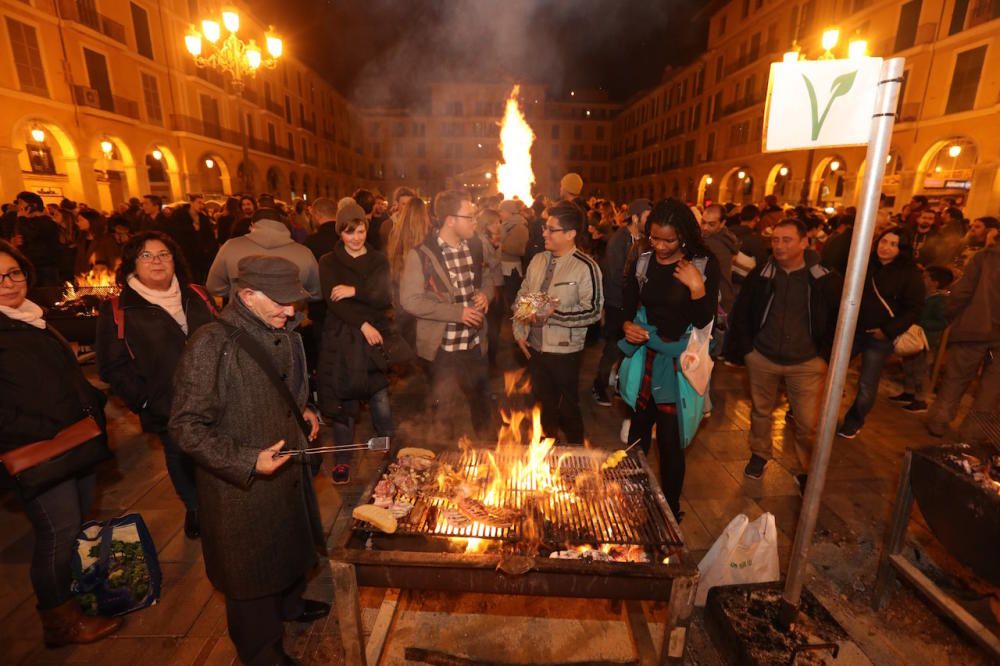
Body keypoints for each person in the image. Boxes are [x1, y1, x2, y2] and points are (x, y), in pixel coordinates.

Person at [169, 255, 328, 665]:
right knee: (252, 569)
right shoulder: (211, 344)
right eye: (280, 302)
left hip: (287, 470)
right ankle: (260, 651)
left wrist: (304, 409)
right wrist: (246, 460)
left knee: (290, 543)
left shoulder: (288, 331)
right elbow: (186, 426)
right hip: (241, 484)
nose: (290, 310)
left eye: (295, 301)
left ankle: (291, 607)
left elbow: (289, 388)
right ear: (247, 295)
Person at [0, 240, 123, 646]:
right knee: (58, 532)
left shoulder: (30, 318)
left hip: (75, 439)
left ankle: (76, 599)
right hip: (35, 450)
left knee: (74, 527)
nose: (8, 283)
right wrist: (44, 426)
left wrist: (91, 404)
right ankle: (59, 623)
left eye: (13, 273)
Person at [95, 231, 216, 538]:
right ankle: (195, 507)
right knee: (179, 455)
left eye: (164, 254)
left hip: (216, 394)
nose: (157, 261)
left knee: (217, 452)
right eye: (146, 256)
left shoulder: (197, 294)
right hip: (167, 404)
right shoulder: (118, 309)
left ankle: (221, 503)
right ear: (133, 264)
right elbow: (112, 367)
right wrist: (146, 401)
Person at [725, 219, 842, 489]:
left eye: (786, 240)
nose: (779, 246)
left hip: (807, 363)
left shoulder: (822, 277)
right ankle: (759, 454)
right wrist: (747, 350)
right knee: (760, 412)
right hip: (763, 357)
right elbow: (742, 312)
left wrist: (823, 356)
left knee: (806, 422)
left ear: (804, 242)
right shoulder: (762, 273)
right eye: (775, 240)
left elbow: (838, 317)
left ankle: (807, 469)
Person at [621, 200, 718, 518]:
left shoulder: (703, 264)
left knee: (670, 442)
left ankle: (671, 510)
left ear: (685, 237)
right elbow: (628, 303)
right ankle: (631, 494)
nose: (660, 246)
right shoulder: (643, 260)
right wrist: (628, 325)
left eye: (668, 240)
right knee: (637, 434)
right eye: (654, 238)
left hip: (678, 366)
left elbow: (705, 322)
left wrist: (697, 288)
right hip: (646, 358)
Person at [400, 189, 493, 439]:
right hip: (441, 349)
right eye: (469, 217)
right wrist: (456, 313)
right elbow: (410, 300)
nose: (475, 221)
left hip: (473, 343)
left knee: (482, 403)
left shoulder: (475, 246)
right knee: (443, 410)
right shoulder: (421, 254)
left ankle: (489, 457)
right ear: (450, 220)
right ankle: (445, 462)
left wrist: (486, 294)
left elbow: (488, 279)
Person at [515, 201, 604, 445]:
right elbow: (524, 295)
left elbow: (593, 311)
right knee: (544, 406)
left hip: (565, 352)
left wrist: (554, 313)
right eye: (545, 227)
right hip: (535, 347)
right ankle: (546, 459)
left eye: (551, 229)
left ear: (570, 233)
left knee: (568, 409)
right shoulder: (538, 260)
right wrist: (520, 329)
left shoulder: (586, 267)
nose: (544, 233)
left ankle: (578, 456)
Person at [317, 202, 393, 484]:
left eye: (360, 230)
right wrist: (362, 322)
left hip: (374, 335)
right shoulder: (328, 261)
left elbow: (384, 296)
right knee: (343, 400)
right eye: (350, 232)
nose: (356, 238)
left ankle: (387, 447)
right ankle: (343, 458)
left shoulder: (378, 260)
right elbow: (332, 302)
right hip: (343, 337)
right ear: (340, 233)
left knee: (380, 395)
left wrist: (355, 290)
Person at [838, 226, 924, 439]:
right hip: (851, 330)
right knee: (830, 372)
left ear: (901, 249)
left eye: (893, 244)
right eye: (883, 242)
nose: (885, 248)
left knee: (867, 383)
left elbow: (914, 308)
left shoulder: (910, 274)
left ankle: (854, 421)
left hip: (879, 337)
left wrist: (887, 330)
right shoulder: (864, 264)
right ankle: (816, 411)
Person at [927, 241, 1000, 439]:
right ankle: (972, 433)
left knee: (956, 378)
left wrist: (950, 314)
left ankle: (939, 420)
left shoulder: (986, 257)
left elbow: (963, 292)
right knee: (991, 390)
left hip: (975, 328)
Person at [592, 198, 650, 406]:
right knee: (614, 345)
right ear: (635, 218)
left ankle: (620, 382)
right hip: (618, 301)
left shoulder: (645, 240)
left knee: (628, 345)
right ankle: (598, 385)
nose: (650, 221)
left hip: (634, 302)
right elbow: (615, 274)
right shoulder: (619, 239)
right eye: (646, 217)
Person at [207, 207, 321, 302]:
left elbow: (214, 287)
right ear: (281, 224)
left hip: (242, 319)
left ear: (252, 225)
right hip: (288, 320)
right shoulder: (303, 252)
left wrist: (236, 293)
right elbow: (316, 293)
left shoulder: (231, 247)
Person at [891, 265, 953, 413]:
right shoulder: (927, 296)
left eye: (925, 277)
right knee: (909, 366)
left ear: (935, 282)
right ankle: (909, 392)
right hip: (914, 338)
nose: (922, 279)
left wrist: (920, 322)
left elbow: (943, 322)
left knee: (921, 370)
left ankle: (920, 399)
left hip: (926, 341)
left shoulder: (940, 300)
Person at [387, 197, 433, 353]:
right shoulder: (429, 239)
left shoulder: (395, 235)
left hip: (401, 304)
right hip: (422, 304)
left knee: (408, 353)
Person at [12, 192, 61, 287]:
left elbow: (32, 235)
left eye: (21, 203)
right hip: (30, 265)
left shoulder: (46, 222)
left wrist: (22, 219)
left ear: (33, 205)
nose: (19, 206)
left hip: (44, 267)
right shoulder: (24, 221)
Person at [477, 208, 505, 368]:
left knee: (496, 324)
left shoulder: (491, 240)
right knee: (491, 325)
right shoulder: (482, 241)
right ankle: (489, 360)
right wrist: (497, 248)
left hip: (496, 284)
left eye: (499, 222)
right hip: (490, 287)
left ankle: (492, 358)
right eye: (495, 222)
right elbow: (486, 265)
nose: (498, 225)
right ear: (486, 224)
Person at [499, 199, 529, 313]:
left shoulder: (519, 226)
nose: (500, 213)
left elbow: (520, 250)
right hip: (504, 265)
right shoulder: (505, 224)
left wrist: (500, 246)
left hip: (512, 268)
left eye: (501, 211)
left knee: (512, 295)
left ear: (508, 211)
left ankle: (516, 320)